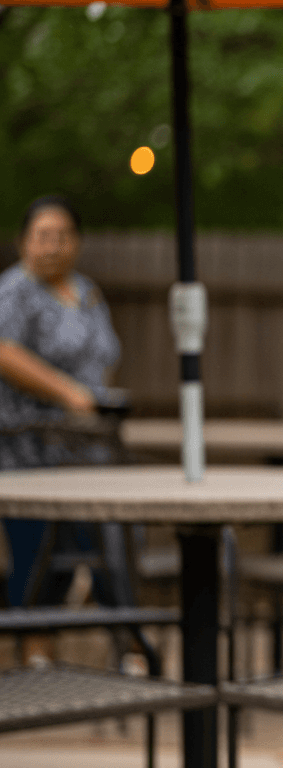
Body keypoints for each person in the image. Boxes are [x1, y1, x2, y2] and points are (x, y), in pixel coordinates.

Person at [0, 196, 122, 658]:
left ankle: (123, 643)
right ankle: (35, 652)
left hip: (84, 449)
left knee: (91, 546)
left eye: (62, 235)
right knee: (34, 549)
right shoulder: (15, 291)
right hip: (29, 446)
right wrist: (69, 393)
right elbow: (5, 352)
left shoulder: (87, 291)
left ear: (77, 241)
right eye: (42, 236)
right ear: (24, 242)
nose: (52, 246)